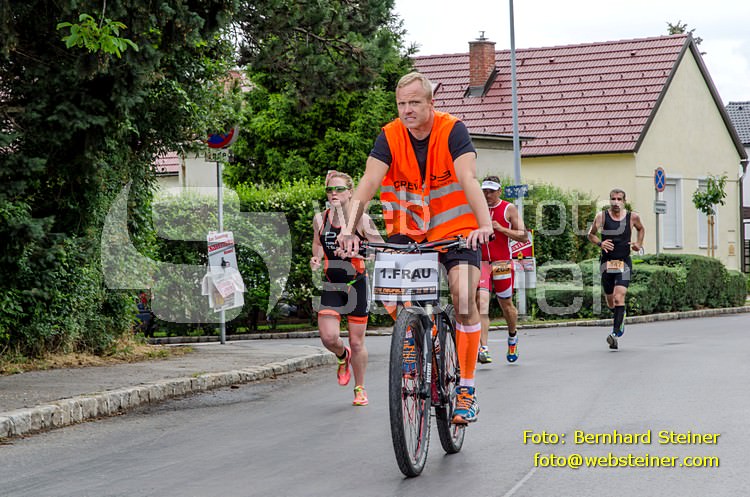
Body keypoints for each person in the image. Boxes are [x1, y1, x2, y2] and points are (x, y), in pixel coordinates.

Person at [337, 71, 494, 424]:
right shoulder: (390, 136)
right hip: (408, 231)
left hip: (458, 230)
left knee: (463, 297)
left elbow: (468, 178)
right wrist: (348, 229)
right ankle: (418, 339)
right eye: (401, 103)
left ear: (431, 103)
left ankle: (466, 390)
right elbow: (369, 182)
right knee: (392, 291)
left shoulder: (453, 130)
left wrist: (484, 224)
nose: (406, 110)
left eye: (414, 103)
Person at [311, 171, 384, 406]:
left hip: (356, 285)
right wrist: (316, 258)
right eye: (330, 189)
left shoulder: (362, 221)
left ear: (351, 192)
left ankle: (360, 388)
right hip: (332, 284)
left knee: (356, 341)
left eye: (339, 189)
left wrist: (360, 253)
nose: (333, 193)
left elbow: (382, 249)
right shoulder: (320, 220)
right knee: (328, 337)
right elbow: (318, 244)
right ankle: (343, 356)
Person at [476, 176, 528, 364]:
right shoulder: (476, 207)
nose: (487, 195)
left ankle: (512, 336)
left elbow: (523, 236)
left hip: (502, 263)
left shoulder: (508, 208)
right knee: (481, 302)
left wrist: (501, 229)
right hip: (481, 263)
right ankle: (483, 348)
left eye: (491, 191)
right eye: (484, 191)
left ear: (499, 191)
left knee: (506, 305)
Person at [587, 188, 645, 350]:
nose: (616, 202)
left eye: (619, 199)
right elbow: (590, 234)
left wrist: (638, 244)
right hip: (607, 263)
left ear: (624, 201)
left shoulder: (632, 217)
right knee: (611, 302)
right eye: (613, 199)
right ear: (610, 200)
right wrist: (600, 243)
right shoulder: (601, 216)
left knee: (619, 297)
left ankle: (614, 334)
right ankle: (621, 314)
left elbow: (641, 229)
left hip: (624, 262)